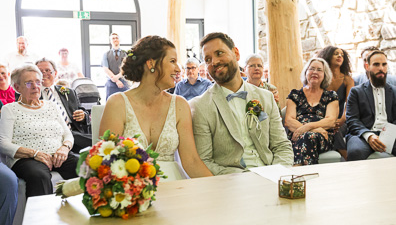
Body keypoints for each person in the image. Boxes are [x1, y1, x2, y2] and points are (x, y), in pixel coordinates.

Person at [99, 35, 213, 181]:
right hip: (128, 187)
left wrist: (216, 188)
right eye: (172, 61)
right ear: (151, 63)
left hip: (173, 184)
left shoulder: (180, 105)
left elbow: (191, 161)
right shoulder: (117, 103)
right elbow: (105, 160)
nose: (179, 68)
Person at [190, 32, 293, 175]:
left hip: (271, 174)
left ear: (236, 53)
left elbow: (282, 145)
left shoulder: (266, 97)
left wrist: (278, 174)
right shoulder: (200, 106)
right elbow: (205, 160)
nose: (214, 62)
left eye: (219, 53)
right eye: (208, 59)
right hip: (231, 182)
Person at [0, 64, 78, 197]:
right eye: (29, 83)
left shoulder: (51, 105)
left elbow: (67, 134)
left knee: (85, 167)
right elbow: (3, 143)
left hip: (59, 155)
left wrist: (64, 148)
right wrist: (34, 153)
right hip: (27, 159)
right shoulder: (10, 109)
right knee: (39, 176)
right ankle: (42, 216)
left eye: (37, 82)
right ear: (17, 88)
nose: (36, 86)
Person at [285, 57, 339, 165]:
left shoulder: (330, 96)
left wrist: (307, 127)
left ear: (325, 75)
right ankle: (307, 175)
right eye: (311, 69)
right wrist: (313, 129)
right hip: (298, 134)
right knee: (307, 137)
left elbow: (331, 121)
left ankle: (298, 171)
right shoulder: (295, 94)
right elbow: (289, 121)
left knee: (307, 137)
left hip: (323, 137)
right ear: (306, 72)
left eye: (319, 70)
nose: (315, 72)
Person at [346, 51, 396, 160]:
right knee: (355, 151)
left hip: (390, 133)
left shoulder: (394, 91)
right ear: (367, 66)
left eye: (384, 64)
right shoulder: (356, 92)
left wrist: (389, 135)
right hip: (362, 135)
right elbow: (352, 120)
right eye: (376, 64)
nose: (381, 68)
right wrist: (369, 136)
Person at [36, 58, 91, 153]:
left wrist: (83, 115)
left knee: (100, 144)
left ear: (55, 73)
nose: (44, 73)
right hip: (50, 136)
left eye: (48, 70)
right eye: (40, 71)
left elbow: (83, 112)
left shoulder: (68, 92)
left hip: (74, 132)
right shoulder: (31, 94)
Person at [317, 46, 354, 160]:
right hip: (321, 118)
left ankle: (346, 158)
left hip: (342, 120)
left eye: (342, 55)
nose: (339, 56)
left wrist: (343, 119)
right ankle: (346, 157)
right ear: (328, 57)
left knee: (334, 129)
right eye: (336, 54)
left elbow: (349, 104)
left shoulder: (347, 79)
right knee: (330, 127)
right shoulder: (321, 78)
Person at [101, 33, 129, 99]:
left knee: (126, 102)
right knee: (110, 103)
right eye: (113, 38)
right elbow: (105, 69)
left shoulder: (125, 53)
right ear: (110, 41)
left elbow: (126, 67)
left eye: (117, 38)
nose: (115, 39)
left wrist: (118, 76)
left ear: (119, 40)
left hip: (124, 81)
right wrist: (116, 80)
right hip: (111, 83)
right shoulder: (106, 54)